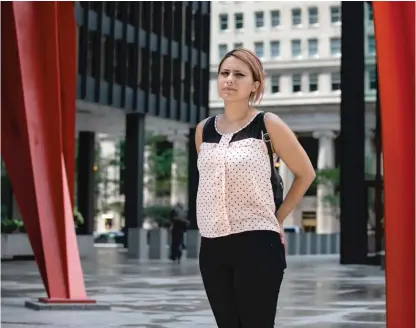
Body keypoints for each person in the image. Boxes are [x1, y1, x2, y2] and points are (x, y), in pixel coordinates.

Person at [195, 48, 316, 328]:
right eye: (224, 73)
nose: (229, 80)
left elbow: (305, 173)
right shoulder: (204, 129)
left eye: (239, 74)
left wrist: (278, 218)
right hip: (212, 244)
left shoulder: (267, 124)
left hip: (257, 243)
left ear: (255, 85)